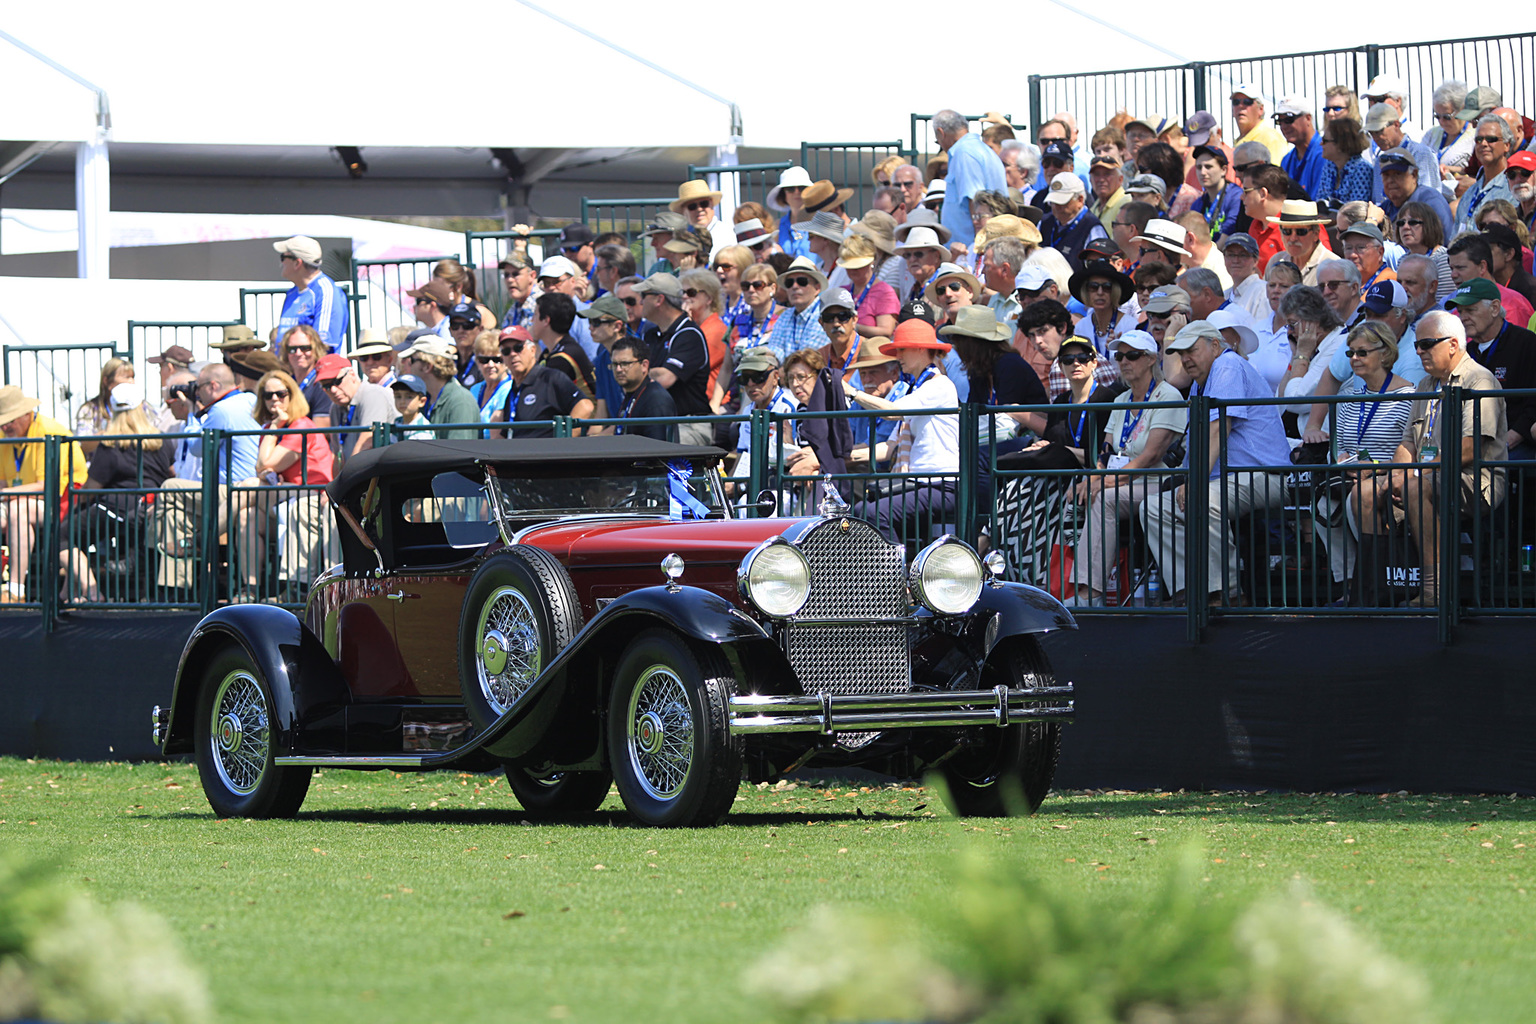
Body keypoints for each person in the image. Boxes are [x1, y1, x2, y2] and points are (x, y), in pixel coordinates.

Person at [1357, 310, 1508, 606]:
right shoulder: (1427, 384)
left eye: (1427, 344)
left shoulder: (1480, 381)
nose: (1419, 351)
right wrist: (1395, 476)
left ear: (1453, 344)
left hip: (1476, 481)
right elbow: (1406, 444)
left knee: (1414, 487)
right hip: (1429, 477)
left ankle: (1433, 590)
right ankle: (1376, 588)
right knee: (1365, 492)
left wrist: (1414, 475)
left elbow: (1469, 449)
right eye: (1416, 345)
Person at [1141, 320, 1293, 605]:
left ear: (1214, 345)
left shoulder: (1227, 364)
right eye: (1181, 353)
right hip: (1230, 479)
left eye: (1192, 351)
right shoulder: (1202, 382)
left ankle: (1226, 592)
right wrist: (1190, 477)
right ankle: (1187, 591)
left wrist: (1193, 480)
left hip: (1266, 475)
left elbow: (1217, 429)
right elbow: (1200, 443)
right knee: (1153, 507)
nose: (1185, 359)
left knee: (1205, 498)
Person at [1070, 330, 1187, 604]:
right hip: (1126, 480)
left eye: (1132, 355)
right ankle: (1048, 583)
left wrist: (1101, 482)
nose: (1124, 361)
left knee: (1103, 499)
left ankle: (1090, 593)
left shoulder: (1168, 394)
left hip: (1160, 479)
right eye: (1119, 356)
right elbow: (1107, 450)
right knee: (1073, 495)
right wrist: (1094, 477)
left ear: (1150, 360)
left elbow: (1151, 455)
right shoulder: (1121, 400)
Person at [844, 318, 960, 544]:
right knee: (859, 509)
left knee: (874, 512)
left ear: (919, 349)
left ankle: (895, 576)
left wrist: (853, 393)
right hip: (920, 484)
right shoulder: (919, 388)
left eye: (902, 349)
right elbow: (889, 448)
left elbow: (892, 411)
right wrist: (839, 456)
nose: (898, 356)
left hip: (942, 485)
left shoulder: (939, 385)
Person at [59, 381, 176, 603]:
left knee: (63, 535)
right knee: (77, 530)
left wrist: (76, 499)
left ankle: (93, 593)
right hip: (151, 509)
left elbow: (91, 489)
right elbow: (171, 473)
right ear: (141, 406)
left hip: (115, 510)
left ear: (112, 408)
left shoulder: (110, 444)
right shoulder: (161, 440)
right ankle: (69, 592)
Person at [236, 369, 335, 598]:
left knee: (247, 487)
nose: (274, 400)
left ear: (292, 395)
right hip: (284, 498)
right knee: (246, 516)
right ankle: (250, 589)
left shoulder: (300, 425)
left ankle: (205, 536)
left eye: (281, 394)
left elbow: (264, 465)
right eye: (268, 395)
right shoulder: (271, 428)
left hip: (309, 495)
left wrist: (272, 431)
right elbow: (264, 468)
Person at [0, 386, 88, 602]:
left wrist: (4, 494)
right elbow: (3, 482)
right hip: (25, 502)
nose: (5, 426)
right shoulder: (4, 436)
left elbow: (46, 488)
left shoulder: (49, 431)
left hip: (66, 503)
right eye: (2, 420)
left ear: (25, 413)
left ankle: (15, 590)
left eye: (9, 420)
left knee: (18, 510)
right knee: (13, 510)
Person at [1447, 277, 1536, 457]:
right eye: (1461, 311)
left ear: (1495, 308)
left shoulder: (1527, 343)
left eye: (1471, 310)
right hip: (1471, 446)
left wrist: (1510, 439)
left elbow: (1533, 402)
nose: (1463, 318)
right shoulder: (1463, 352)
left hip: (1517, 446)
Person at [637, 274, 712, 445]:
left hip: (688, 425)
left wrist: (636, 371)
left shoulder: (689, 334)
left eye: (643, 296)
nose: (640, 302)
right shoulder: (650, 334)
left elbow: (664, 379)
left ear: (659, 299)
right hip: (657, 422)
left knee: (657, 450)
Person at [492, 324, 594, 439]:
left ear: (533, 350)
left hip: (545, 454)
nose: (513, 354)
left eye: (518, 348)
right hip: (520, 454)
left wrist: (562, 443)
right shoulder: (513, 391)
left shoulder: (550, 378)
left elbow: (585, 406)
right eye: (506, 351)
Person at [934, 109, 1007, 248]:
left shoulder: (964, 153)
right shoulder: (980, 150)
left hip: (970, 250)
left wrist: (977, 251)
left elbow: (976, 202)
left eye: (937, 140)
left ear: (941, 133)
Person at [782, 348, 852, 490]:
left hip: (841, 475)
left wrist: (815, 469)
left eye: (801, 377)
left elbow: (845, 449)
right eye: (790, 379)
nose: (795, 384)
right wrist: (788, 441)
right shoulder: (800, 410)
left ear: (818, 376)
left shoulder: (838, 404)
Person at [314, 353, 394, 466]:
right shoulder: (336, 408)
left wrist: (347, 479)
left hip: (384, 475)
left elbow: (367, 442)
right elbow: (337, 456)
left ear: (352, 374)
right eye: (326, 386)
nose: (333, 390)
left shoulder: (372, 394)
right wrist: (337, 483)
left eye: (337, 382)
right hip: (360, 475)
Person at [273, 235, 348, 351]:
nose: (281, 263)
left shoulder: (325, 291)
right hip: (287, 368)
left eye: (283, 257)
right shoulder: (292, 293)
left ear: (297, 263)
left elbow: (323, 344)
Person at [396, 335, 479, 439]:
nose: (408, 366)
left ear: (427, 366)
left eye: (412, 361)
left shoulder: (460, 401)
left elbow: (459, 451)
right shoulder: (426, 397)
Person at [1447, 234, 1535, 331]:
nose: (1453, 275)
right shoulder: (1455, 312)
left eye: (1460, 268)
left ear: (1482, 267)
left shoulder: (1513, 307)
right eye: (1452, 269)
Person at [1455, 114, 1519, 236]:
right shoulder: (1470, 193)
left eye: (1491, 139)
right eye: (1479, 139)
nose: (1483, 144)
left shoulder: (1514, 188)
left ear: (1507, 145)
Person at [607, 335, 677, 442]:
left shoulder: (656, 400)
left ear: (644, 365)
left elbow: (658, 450)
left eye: (625, 364)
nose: (618, 369)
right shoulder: (632, 393)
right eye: (615, 364)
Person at [835, 235, 899, 342]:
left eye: (857, 266)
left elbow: (886, 331)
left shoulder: (884, 292)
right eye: (849, 266)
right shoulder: (842, 292)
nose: (852, 270)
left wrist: (854, 327)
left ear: (871, 262)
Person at [680, 268, 730, 403]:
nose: (685, 297)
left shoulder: (717, 331)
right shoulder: (696, 328)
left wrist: (684, 325)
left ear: (708, 298)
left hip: (712, 406)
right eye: (682, 292)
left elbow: (685, 366)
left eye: (691, 292)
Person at [1041, 172, 1108, 273]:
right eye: (1053, 202)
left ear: (1080, 200)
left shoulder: (1092, 228)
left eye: (1062, 202)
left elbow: (1099, 270)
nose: (1056, 207)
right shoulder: (1044, 222)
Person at [1069, 260, 1137, 355]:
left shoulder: (1130, 326)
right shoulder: (1081, 327)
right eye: (1093, 287)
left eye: (1107, 287)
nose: (1100, 292)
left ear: (1115, 291)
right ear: (1086, 291)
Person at [1394, 200, 1456, 302]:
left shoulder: (1443, 258)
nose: (1405, 227)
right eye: (1401, 223)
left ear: (1429, 225)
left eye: (1413, 222)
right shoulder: (1403, 260)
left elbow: (1443, 302)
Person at [771, 256, 832, 356]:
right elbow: (775, 350)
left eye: (802, 281)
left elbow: (809, 356)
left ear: (817, 288)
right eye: (789, 283)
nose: (794, 286)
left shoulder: (824, 313)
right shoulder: (785, 315)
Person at [277, 325, 334, 428]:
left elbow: (322, 429)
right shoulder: (287, 383)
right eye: (292, 349)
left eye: (305, 348)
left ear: (316, 349)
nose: (298, 353)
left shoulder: (321, 384)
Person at [74, 357, 138, 445]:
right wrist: (106, 434)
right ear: (107, 381)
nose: (131, 382)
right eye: (126, 377)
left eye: (132, 377)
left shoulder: (142, 407)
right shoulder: (89, 410)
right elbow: (82, 446)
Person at [672, 180, 736, 259]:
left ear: (712, 204)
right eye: (692, 206)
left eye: (704, 204)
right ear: (683, 211)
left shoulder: (727, 233)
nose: (699, 209)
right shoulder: (680, 237)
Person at [1317, 117, 1373, 206]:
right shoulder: (1329, 166)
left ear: (1340, 144)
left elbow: (1356, 211)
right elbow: (1320, 200)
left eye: (1325, 141)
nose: (1321, 144)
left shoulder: (1362, 169)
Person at [1189, 145, 1241, 240]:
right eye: (1199, 167)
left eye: (1208, 167)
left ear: (1223, 170)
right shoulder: (1197, 204)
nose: (1203, 172)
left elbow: (1227, 236)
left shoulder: (1236, 196)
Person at [731, 263, 783, 356]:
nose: (751, 290)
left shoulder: (785, 318)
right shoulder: (738, 320)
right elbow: (727, 366)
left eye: (758, 285)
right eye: (745, 286)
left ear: (772, 288)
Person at [464, 331, 514, 428]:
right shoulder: (474, 389)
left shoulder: (510, 388)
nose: (491, 365)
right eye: (484, 360)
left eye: (497, 360)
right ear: (477, 362)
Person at [1230, 83, 1289, 164]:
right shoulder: (1241, 140)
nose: (1240, 106)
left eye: (1247, 102)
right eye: (1236, 102)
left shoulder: (1271, 139)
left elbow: (1275, 174)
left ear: (1260, 109)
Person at [767, 165, 815, 259]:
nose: (796, 192)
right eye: (790, 188)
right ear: (783, 194)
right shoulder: (777, 226)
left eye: (801, 188)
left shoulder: (819, 222)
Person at [1222, 233, 1269, 322]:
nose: (1236, 260)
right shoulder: (1225, 295)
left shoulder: (1263, 293)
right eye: (1231, 255)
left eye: (1243, 255)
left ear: (1255, 261)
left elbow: (1262, 333)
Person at [498, 252, 538, 329]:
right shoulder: (515, 308)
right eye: (506, 275)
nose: (509, 280)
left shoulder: (541, 306)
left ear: (532, 276)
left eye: (515, 274)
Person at [1088, 154, 1128, 227]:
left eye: (1107, 174)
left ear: (1120, 179)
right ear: (1090, 180)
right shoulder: (1094, 208)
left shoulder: (1126, 203)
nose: (1101, 180)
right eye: (1097, 175)